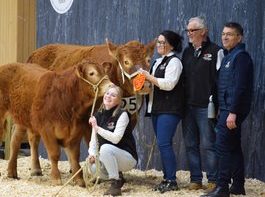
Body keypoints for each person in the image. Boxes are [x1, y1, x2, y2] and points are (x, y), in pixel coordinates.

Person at [201, 22, 253, 197]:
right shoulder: (229, 56)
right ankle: (238, 186)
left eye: (229, 34)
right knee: (233, 147)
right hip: (226, 109)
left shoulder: (241, 57)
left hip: (233, 110)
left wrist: (233, 112)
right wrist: (219, 108)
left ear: (239, 38)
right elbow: (223, 86)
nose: (224, 37)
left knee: (221, 147)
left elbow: (240, 87)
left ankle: (222, 187)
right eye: (223, 34)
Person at [181, 16, 224, 192]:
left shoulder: (216, 51)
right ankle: (196, 179)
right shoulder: (187, 52)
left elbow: (222, 80)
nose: (189, 34)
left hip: (207, 106)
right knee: (191, 144)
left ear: (203, 31)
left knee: (209, 144)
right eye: (188, 31)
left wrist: (220, 104)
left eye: (193, 30)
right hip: (187, 106)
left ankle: (213, 180)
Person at [139, 30, 184, 194]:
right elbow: (154, 85)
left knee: (164, 143)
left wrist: (148, 78)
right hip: (157, 108)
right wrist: (143, 85)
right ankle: (167, 178)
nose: (159, 45)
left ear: (171, 44)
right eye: (158, 42)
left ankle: (172, 180)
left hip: (170, 108)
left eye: (163, 42)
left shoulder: (175, 62)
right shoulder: (157, 62)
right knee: (163, 144)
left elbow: (169, 84)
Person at [87, 84, 138, 196]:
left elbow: (115, 139)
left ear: (118, 101)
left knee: (105, 149)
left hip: (127, 158)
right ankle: (118, 176)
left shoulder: (122, 114)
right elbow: (93, 141)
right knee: (94, 168)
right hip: (110, 155)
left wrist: (97, 128)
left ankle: (115, 185)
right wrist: (92, 154)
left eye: (113, 95)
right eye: (107, 93)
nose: (109, 96)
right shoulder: (97, 115)